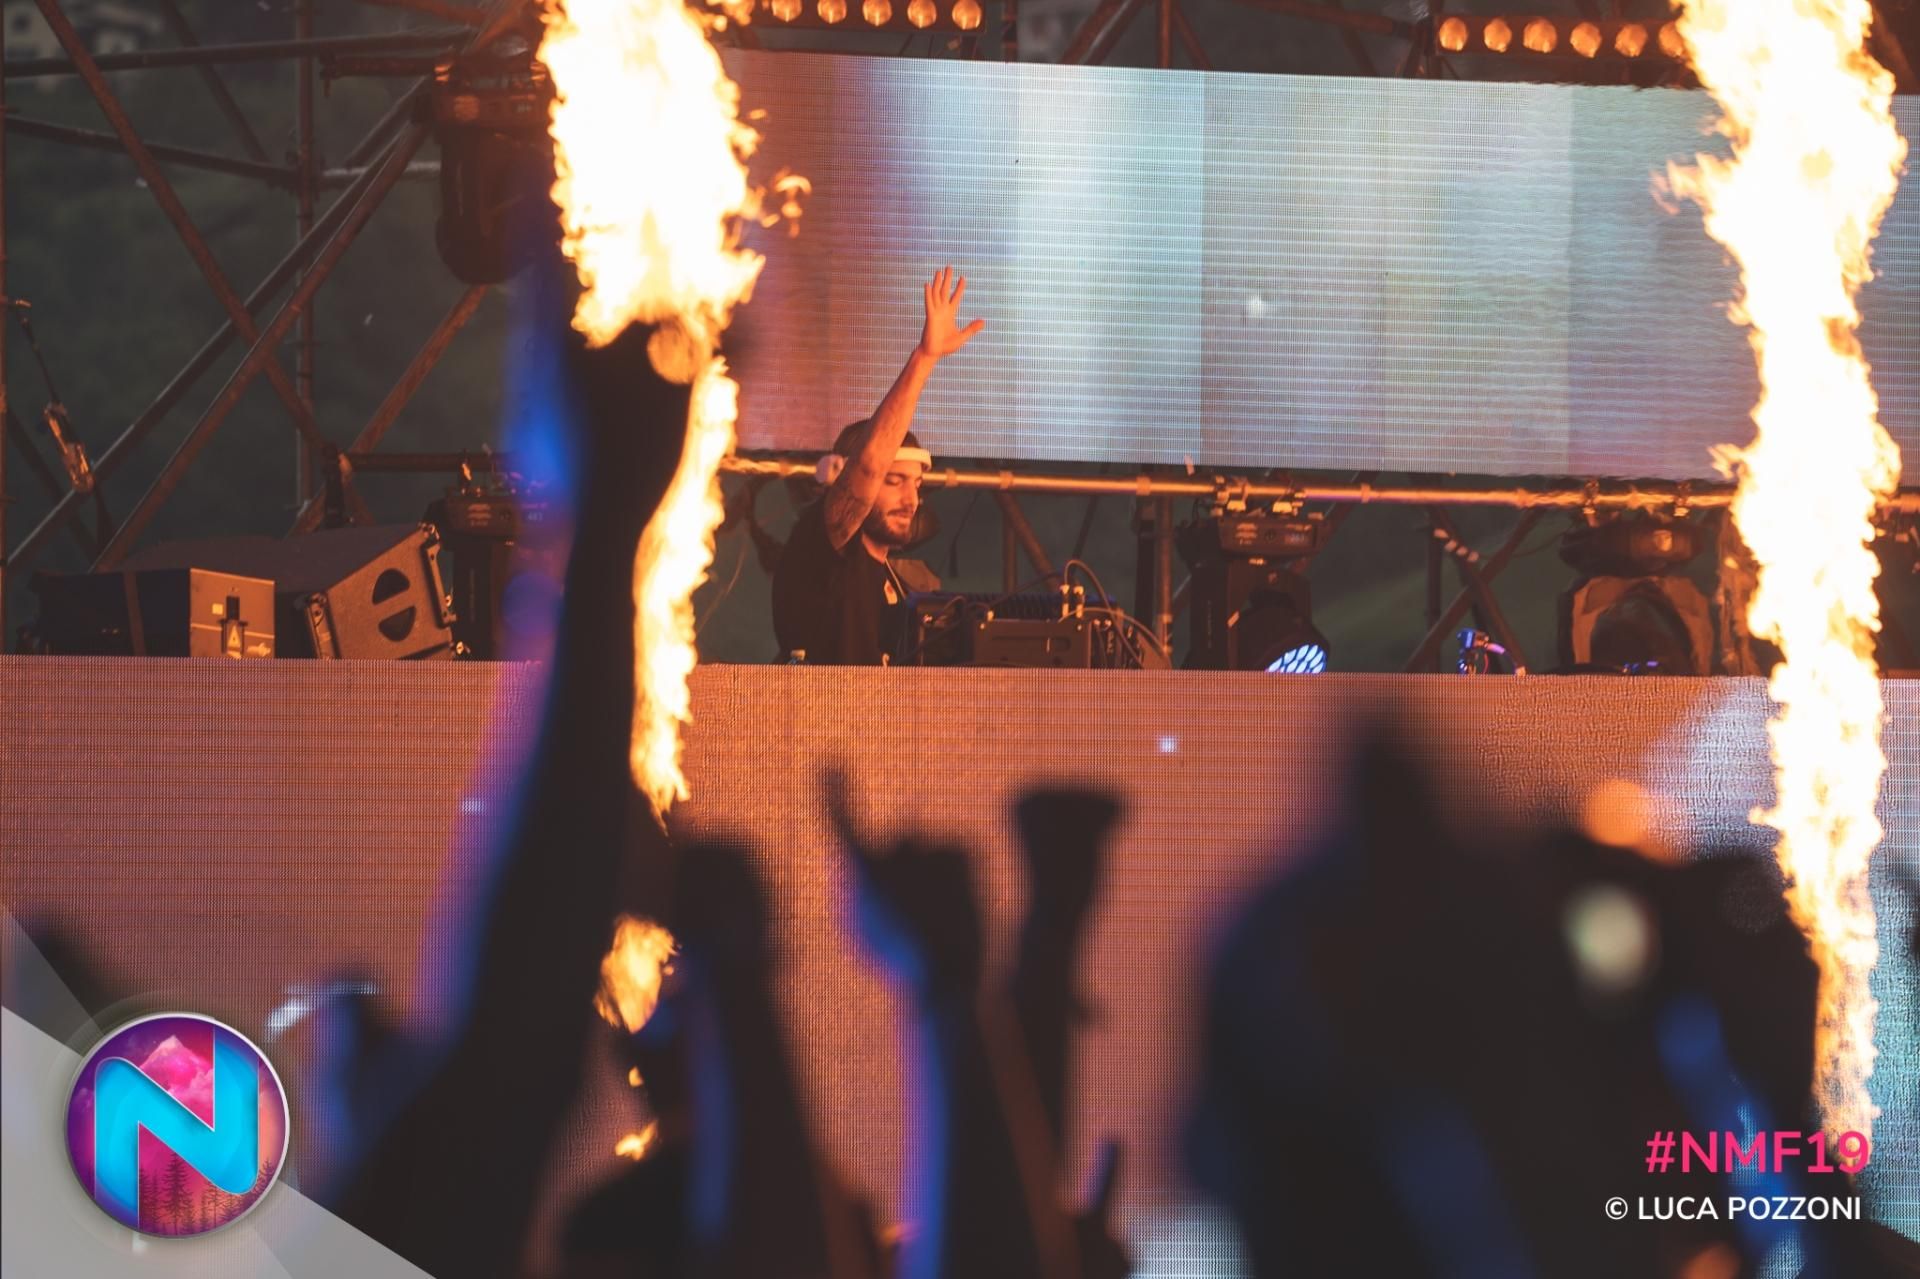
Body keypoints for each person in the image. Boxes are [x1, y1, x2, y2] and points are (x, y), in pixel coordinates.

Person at [772, 266, 984, 664]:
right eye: (894, 480)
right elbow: (868, 468)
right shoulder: (825, 547)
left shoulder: (895, 585)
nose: (911, 500)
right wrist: (926, 358)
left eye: (916, 484)